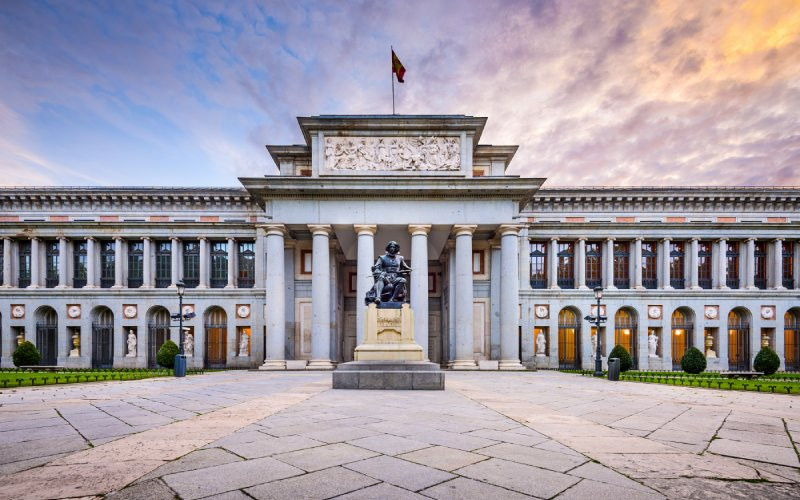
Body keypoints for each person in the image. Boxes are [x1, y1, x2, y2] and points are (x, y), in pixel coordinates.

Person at [365, 241, 412, 305]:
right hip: (385, 277)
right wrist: (379, 271)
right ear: (388, 248)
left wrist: (409, 270)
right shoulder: (382, 258)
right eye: (391, 247)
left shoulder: (400, 258)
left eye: (394, 247)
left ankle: (392, 299)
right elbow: (376, 268)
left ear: (396, 248)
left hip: (395, 278)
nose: (392, 248)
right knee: (381, 276)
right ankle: (378, 297)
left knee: (403, 280)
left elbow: (405, 268)